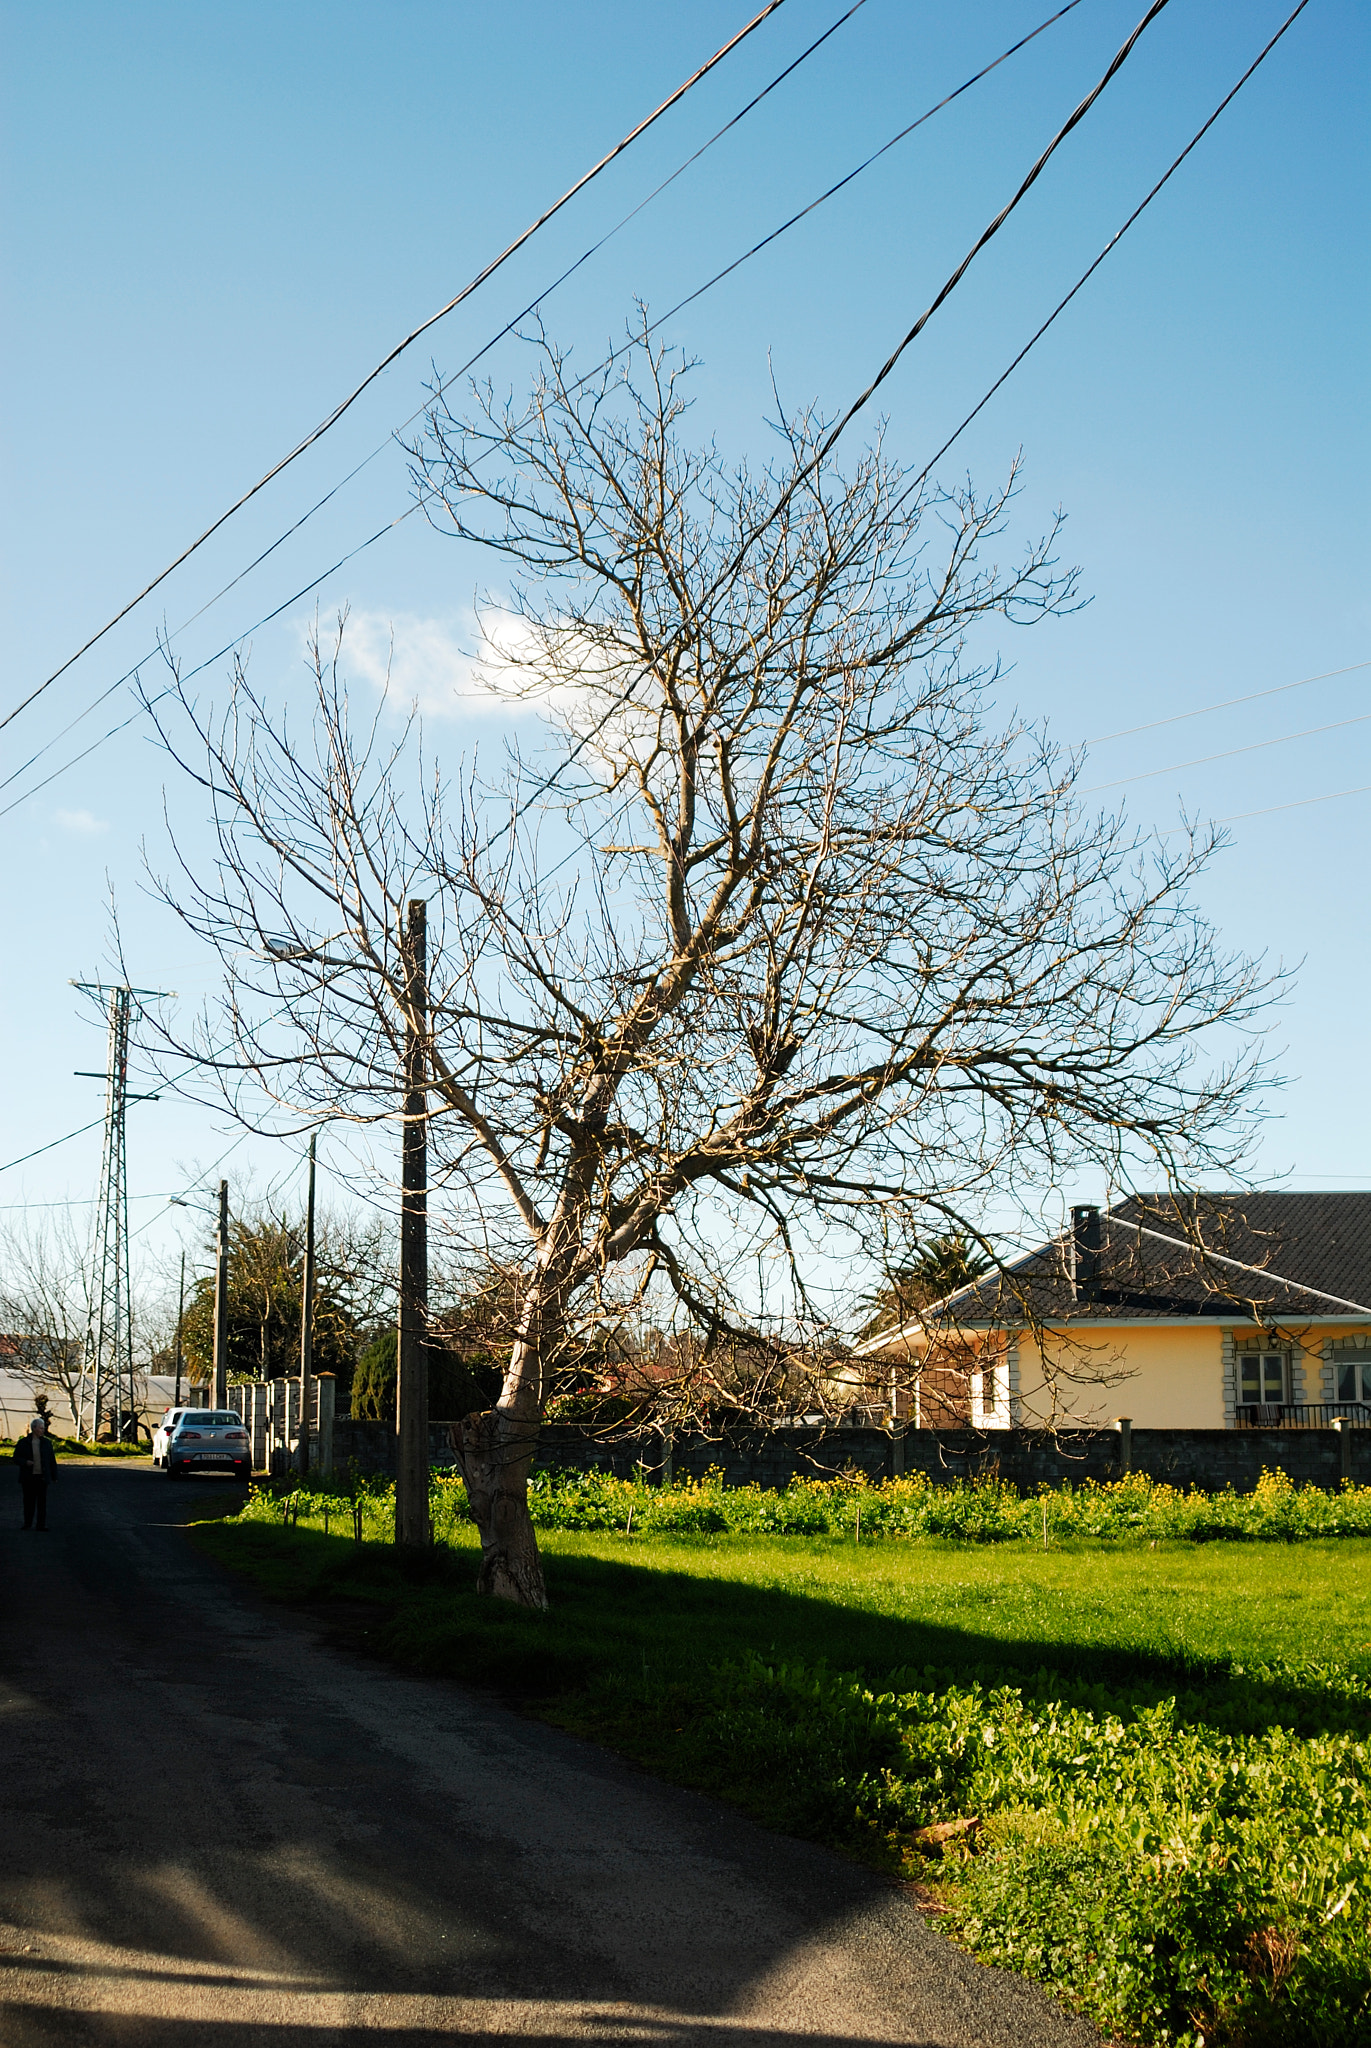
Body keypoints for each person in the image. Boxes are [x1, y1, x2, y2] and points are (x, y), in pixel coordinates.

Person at [14, 1415, 57, 1530]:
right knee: (28, 1502)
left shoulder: (47, 1443)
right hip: (28, 1477)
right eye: (41, 1428)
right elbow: (16, 1457)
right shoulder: (23, 1443)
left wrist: (54, 1475)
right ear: (34, 1428)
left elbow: (51, 1460)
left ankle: (40, 1525)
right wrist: (25, 1462)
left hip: (42, 1477)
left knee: (42, 1503)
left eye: (43, 1428)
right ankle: (27, 1523)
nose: (43, 1430)